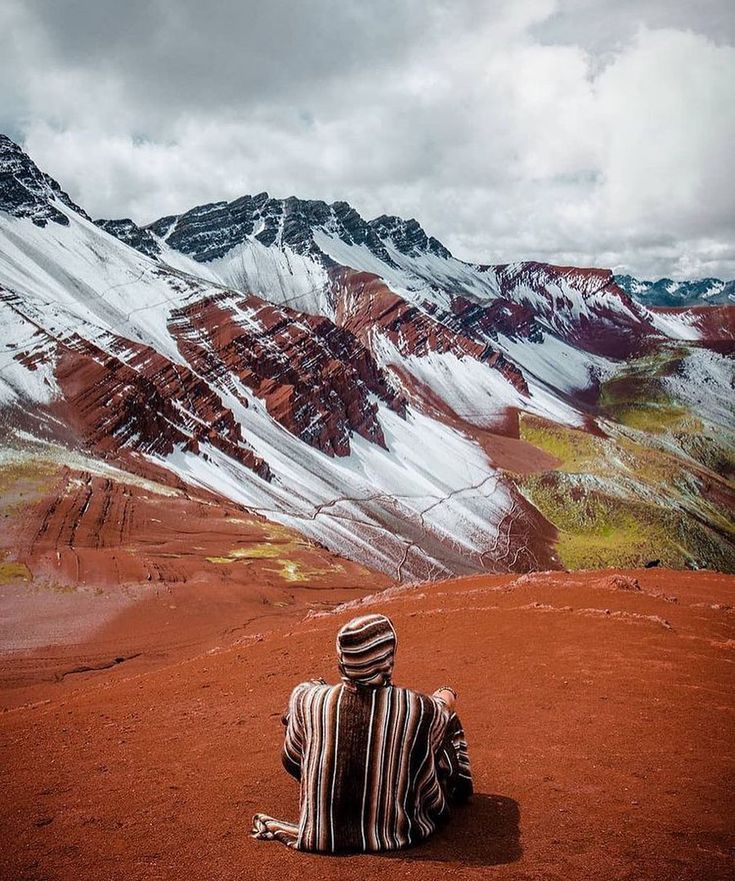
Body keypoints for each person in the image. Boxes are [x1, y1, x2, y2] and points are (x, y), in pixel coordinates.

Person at [251, 612, 472, 852]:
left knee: (302, 715)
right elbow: (442, 708)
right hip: (397, 834)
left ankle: (332, 792)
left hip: (322, 836)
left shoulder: (309, 699)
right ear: (387, 658)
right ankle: (457, 788)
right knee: (445, 722)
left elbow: (292, 756)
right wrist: (446, 692)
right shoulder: (417, 708)